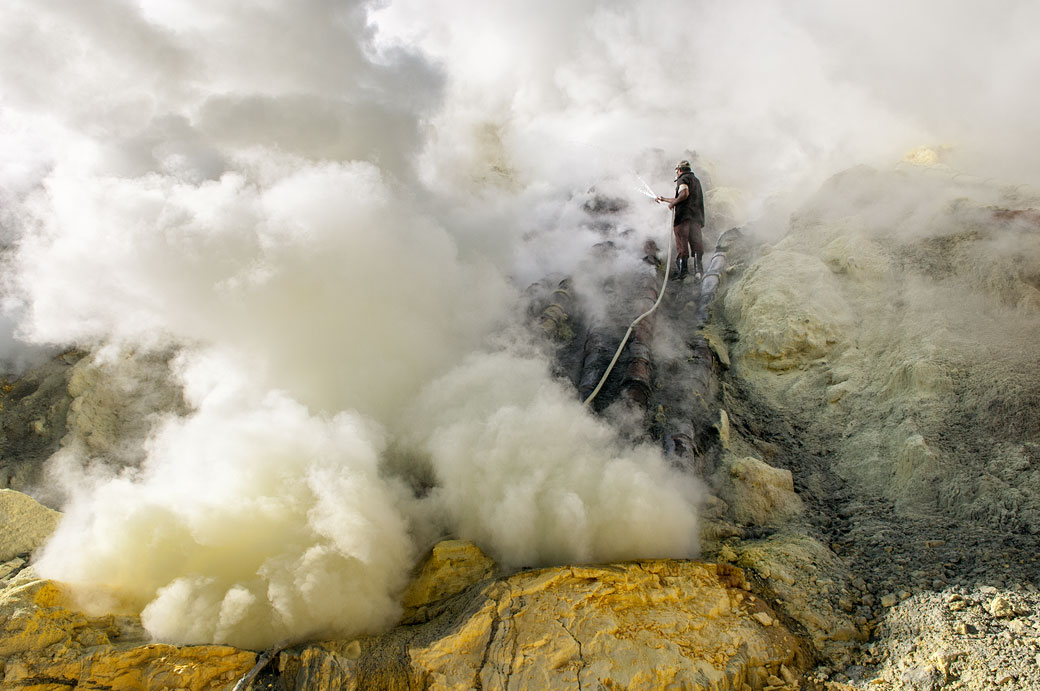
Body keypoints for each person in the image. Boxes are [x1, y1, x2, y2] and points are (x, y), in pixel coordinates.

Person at [656, 160, 705, 281]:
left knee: (682, 244)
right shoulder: (696, 180)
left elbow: (684, 194)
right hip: (696, 217)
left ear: (679, 170)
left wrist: (673, 204)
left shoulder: (682, 179)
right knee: (696, 243)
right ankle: (699, 271)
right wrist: (664, 199)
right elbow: (681, 197)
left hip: (683, 218)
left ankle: (683, 274)